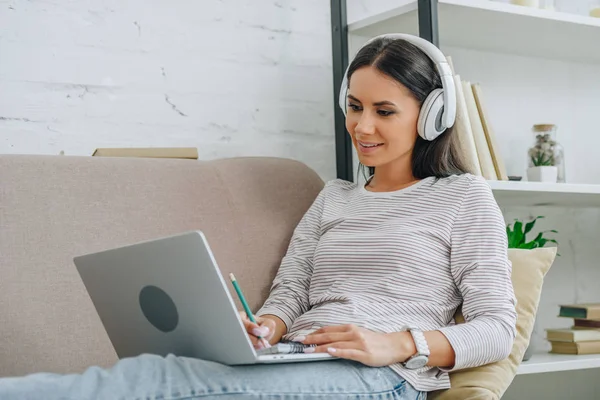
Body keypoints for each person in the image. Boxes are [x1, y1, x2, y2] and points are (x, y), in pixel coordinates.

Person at [0, 33, 517, 400]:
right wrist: (267, 326)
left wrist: (399, 344)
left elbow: (497, 326)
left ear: (432, 117)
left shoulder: (463, 198)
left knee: (159, 385)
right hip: (299, 358)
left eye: (384, 111)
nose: (362, 126)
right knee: (162, 370)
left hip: (382, 378)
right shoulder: (334, 197)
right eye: (355, 106)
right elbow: (291, 290)